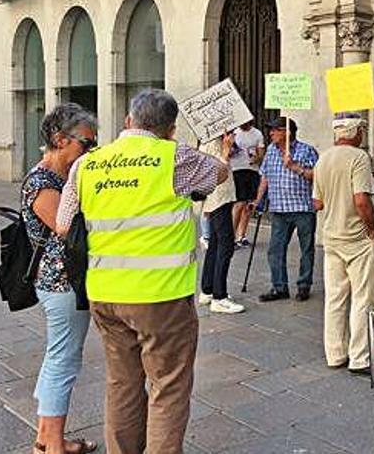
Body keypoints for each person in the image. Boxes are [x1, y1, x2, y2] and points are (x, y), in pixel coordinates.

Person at [56, 89, 228, 454]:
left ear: (128, 121)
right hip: (161, 296)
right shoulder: (173, 157)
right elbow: (219, 173)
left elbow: (63, 223)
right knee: (168, 385)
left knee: (122, 383)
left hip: (105, 292)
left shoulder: (89, 163)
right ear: (170, 128)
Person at [22, 103, 98, 454]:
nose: (90, 151)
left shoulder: (62, 178)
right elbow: (68, 230)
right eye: (85, 143)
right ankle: (53, 445)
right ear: (59, 139)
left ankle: (45, 438)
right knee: (63, 359)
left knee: (59, 355)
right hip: (61, 283)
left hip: (63, 281)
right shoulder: (42, 182)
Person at [312, 113, 374, 374]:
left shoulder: (323, 158)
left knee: (335, 297)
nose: (363, 134)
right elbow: (361, 199)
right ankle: (360, 357)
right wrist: (372, 228)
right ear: (356, 133)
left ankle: (335, 353)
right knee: (364, 297)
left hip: (331, 236)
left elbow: (317, 203)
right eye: (362, 130)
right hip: (357, 238)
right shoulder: (359, 158)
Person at [254, 117, 319, 302]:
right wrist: (258, 200)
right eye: (271, 130)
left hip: (303, 208)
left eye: (276, 130)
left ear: (287, 132)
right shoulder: (271, 151)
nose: (271, 133)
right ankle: (279, 287)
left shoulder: (307, 150)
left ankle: (304, 285)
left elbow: (318, 176)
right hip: (279, 208)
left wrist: (295, 167)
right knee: (275, 249)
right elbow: (265, 177)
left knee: (306, 249)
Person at [197, 132, 245, 314]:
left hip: (219, 198)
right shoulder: (212, 143)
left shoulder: (210, 140)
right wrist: (225, 152)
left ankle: (208, 289)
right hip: (219, 198)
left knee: (215, 245)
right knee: (225, 245)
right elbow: (216, 170)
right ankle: (219, 296)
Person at [230, 122, 265, 247]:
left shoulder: (257, 133)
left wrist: (257, 158)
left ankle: (241, 235)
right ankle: (231, 236)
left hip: (252, 170)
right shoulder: (234, 133)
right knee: (239, 203)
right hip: (237, 169)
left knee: (248, 205)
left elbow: (261, 153)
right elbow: (227, 150)